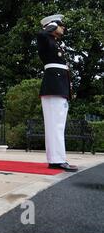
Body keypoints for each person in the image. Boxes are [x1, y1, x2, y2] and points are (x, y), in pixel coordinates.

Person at [37, 14, 78, 172]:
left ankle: (57, 159)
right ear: (52, 26)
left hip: (59, 88)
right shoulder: (46, 40)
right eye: (60, 25)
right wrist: (49, 28)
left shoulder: (55, 43)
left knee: (58, 126)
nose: (63, 28)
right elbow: (40, 35)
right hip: (53, 87)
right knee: (55, 125)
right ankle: (57, 160)